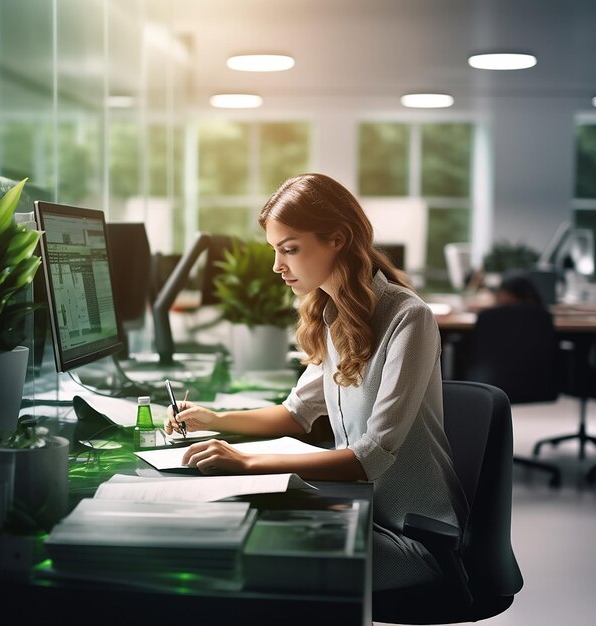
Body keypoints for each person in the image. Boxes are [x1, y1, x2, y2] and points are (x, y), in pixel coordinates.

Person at [165, 173, 468, 591]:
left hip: (413, 538)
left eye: (289, 249)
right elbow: (295, 414)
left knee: (249, 566)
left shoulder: (408, 318)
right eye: (275, 250)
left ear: (337, 239)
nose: (277, 266)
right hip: (360, 512)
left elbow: (370, 458)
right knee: (232, 534)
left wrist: (248, 463)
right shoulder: (333, 315)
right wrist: (214, 418)